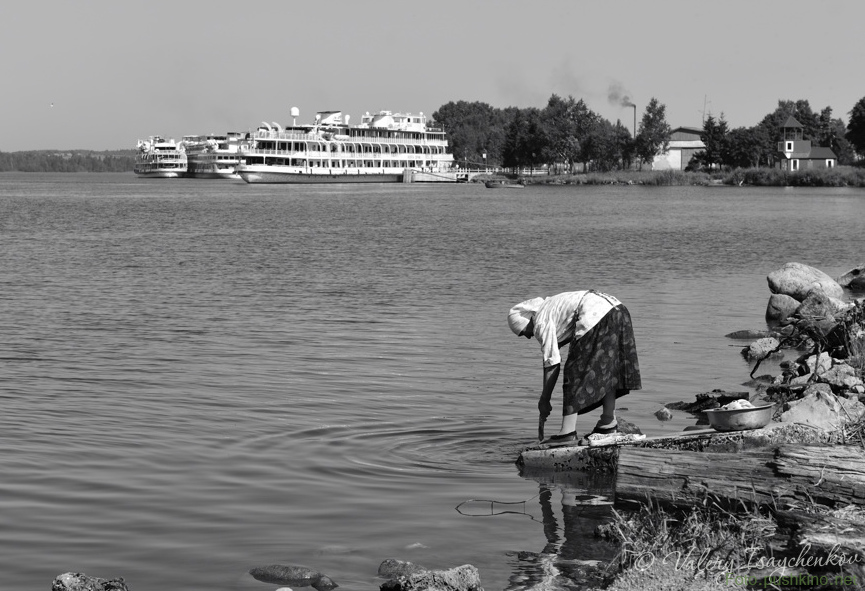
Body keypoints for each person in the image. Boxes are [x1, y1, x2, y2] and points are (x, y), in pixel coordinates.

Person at [507, 290, 642, 446]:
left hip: (596, 314)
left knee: (574, 371)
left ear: (526, 321)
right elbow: (558, 347)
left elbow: (552, 364)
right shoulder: (550, 306)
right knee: (608, 367)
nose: (527, 336)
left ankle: (567, 432)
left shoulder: (540, 321)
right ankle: (607, 423)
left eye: (522, 332)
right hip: (619, 310)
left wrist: (544, 400)